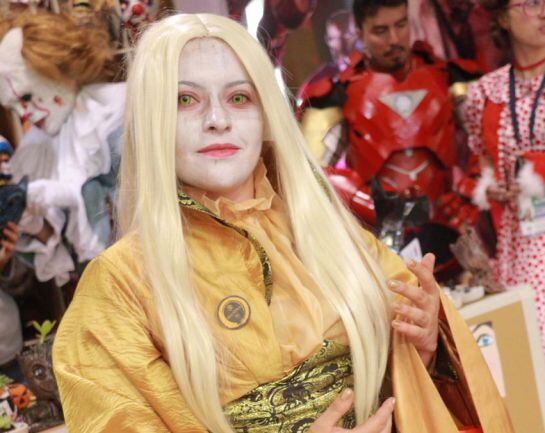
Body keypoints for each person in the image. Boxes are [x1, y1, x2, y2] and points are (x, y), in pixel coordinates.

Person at [53, 13, 512, 433]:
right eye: (185, 99)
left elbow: (413, 393)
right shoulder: (119, 286)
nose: (217, 120)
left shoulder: (331, 234)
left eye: (239, 97)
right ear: (152, 118)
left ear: (264, 112)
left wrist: (425, 347)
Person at [298, 0, 481, 272]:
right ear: (359, 33)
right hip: (380, 242)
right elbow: (310, 173)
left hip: (451, 230)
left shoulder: (449, 77)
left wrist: (470, 192)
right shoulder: (335, 96)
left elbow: (493, 140)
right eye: (380, 31)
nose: (394, 39)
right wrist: (367, 206)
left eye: (401, 25)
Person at [0, 12, 125, 286]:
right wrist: (30, 219)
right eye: (14, 106)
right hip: (106, 286)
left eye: (27, 97)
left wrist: (64, 194)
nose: (24, 113)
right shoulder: (39, 149)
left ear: (54, 68)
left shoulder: (116, 114)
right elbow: (67, 255)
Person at [463, 0, 545, 351]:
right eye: (530, 3)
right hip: (516, 239)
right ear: (502, 17)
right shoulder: (486, 92)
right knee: (526, 345)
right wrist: (490, 186)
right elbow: (481, 160)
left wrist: (536, 170)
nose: (542, 11)